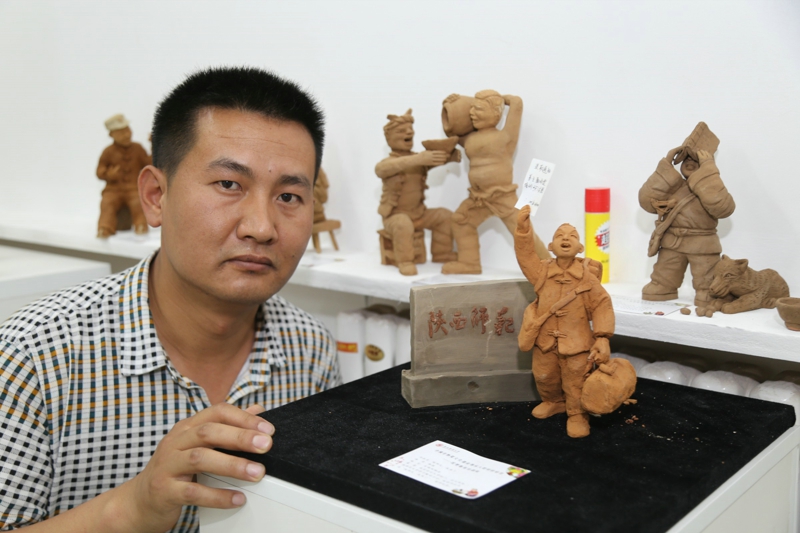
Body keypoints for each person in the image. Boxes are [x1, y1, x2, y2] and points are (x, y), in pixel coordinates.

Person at [0, 67, 341, 532]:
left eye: (288, 196)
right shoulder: (34, 354)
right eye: (229, 185)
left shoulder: (311, 349)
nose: (261, 227)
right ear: (156, 196)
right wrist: (134, 507)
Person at [514, 205, 614, 438]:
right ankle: (553, 401)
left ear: (580, 248)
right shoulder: (541, 272)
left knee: (576, 380)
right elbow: (525, 255)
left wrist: (602, 337)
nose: (565, 238)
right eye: (559, 235)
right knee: (544, 375)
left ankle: (577, 414)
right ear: (550, 247)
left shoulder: (587, 277)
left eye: (572, 236)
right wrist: (523, 229)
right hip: (545, 341)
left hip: (577, 344)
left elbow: (602, 304)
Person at [440, 91, 549, 274]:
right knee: (460, 221)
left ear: (496, 113)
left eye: (479, 109)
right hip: (478, 198)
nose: (472, 113)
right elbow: (452, 132)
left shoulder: (505, 137)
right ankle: (469, 263)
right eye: (471, 109)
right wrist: (451, 106)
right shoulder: (470, 138)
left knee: (522, 232)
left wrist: (500, 98)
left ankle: (548, 267)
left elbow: (517, 103)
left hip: (502, 196)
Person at [639, 123, 735, 311]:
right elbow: (646, 201)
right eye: (686, 159)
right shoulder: (672, 185)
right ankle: (663, 286)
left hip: (702, 243)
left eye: (697, 160)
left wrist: (707, 172)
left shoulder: (710, 185)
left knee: (706, 273)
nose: (690, 162)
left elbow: (724, 208)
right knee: (666, 269)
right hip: (673, 241)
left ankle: (706, 291)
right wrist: (666, 166)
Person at [375, 109, 457, 275]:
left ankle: (442, 253)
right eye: (401, 131)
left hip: (419, 214)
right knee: (402, 224)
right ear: (389, 139)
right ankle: (405, 261)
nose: (409, 132)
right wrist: (418, 159)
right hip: (394, 216)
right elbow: (381, 169)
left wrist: (449, 156)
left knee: (445, 216)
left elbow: (431, 161)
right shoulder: (388, 164)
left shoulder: (418, 161)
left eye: (410, 129)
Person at [96, 113, 152, 237]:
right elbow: (99, 171)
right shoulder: (108, 152)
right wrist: (108, 174)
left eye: (127, 130)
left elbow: (148, 163)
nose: (126, 135)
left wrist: (154, 145)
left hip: (133, 188)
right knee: (107, 204)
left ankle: (140, 225)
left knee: (138, 203)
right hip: (113, 190)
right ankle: (104, 228)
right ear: (111, 135)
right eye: (121, 133)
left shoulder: (137, 148)